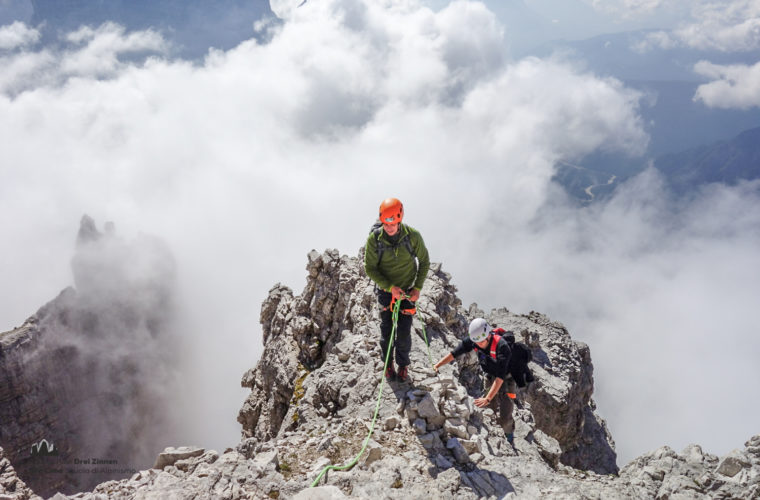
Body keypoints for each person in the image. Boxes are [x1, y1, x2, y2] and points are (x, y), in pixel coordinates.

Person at [364, 197, 430, 382]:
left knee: (403, 333)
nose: (389, 228)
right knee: (386, 333)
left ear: (400, 220)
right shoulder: (374, 240)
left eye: (393, 224)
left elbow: (424, 261)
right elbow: (370, 268)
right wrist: (390, 287)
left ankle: (403, 366)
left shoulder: (412, 237)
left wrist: (417, 288)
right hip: (386, 293)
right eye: (385, 224)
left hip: (408, 290)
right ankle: (387, 365)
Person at [434, 318, 517, 444]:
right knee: (489, 408)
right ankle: (494, 430)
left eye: (481, 342)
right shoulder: (474, 340)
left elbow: (500, 377)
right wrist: (437, 365)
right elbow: (454, 353)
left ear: (488, 336)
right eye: (476, 342)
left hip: (508, 378)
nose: (479, 344)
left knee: (506, 413)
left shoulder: (502, 346)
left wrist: (487, 398)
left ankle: (509, 433)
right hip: (490, 375)